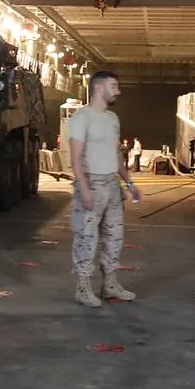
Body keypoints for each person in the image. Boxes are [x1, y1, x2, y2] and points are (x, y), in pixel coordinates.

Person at [69, 70, 142, 308]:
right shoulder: (82, 118)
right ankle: (83, 287)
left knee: (114, 238)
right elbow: (76, 158)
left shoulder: (112, 119)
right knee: (87, 238)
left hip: (112, 185)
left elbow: (117, 154)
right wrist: (84, 188)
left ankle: (109, 284)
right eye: (114, 86)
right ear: (98, 88)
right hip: (91, 182)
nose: (118, 91)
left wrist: (129, 182)